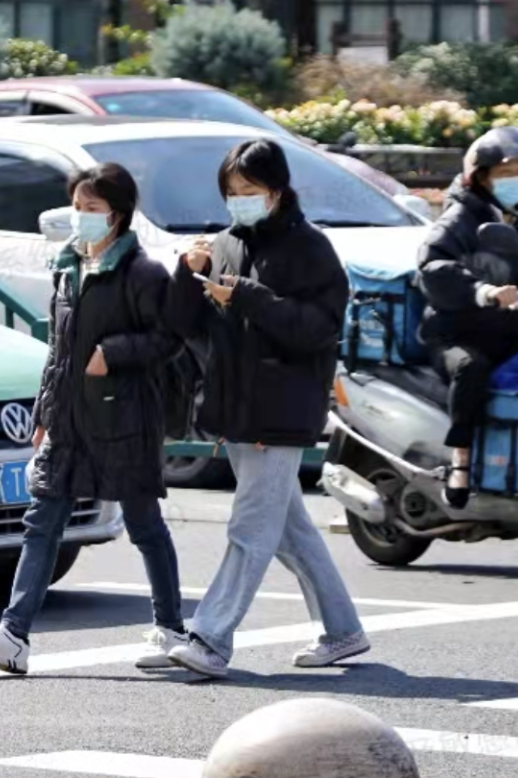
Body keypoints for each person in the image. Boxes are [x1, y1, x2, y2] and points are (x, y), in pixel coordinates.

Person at [0, 163, 187, 675]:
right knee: (42, 522)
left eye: (93, 209)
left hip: (126, 418)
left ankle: (171, 629)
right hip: (69, 420)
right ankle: (13, 635)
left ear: (119, 215)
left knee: (145, 525)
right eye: (78, 207)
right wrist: (44, 409)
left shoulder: (142, 273)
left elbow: (169, 339)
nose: (82, 218)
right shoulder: (68, 267)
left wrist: (114, 353)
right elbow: (57, 350)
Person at [164, 139, 367, 679]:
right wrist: (190, 272)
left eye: (249, 192)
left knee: (251, 528)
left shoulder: (311, 249)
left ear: (276, 191)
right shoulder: (225, 243)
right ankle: (344, 631)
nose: (238, 202)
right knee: (287, 530)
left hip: (279, 411)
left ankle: (210, 637)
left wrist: (248, 295)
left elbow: (318, 329)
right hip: (236, 409)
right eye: (231, 193)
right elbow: (184, 325)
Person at [417, 127, 518, 509]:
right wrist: (482, 291)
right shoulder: (459, 220)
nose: (515, 180)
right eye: (504, 172)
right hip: (455, 333)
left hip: (511, 330)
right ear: (479, 177)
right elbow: (432, 266)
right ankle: (460, 462)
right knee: (472, 367)